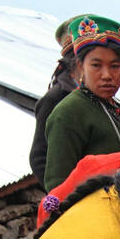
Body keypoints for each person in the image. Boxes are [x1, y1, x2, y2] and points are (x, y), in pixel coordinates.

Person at [43, 15, 120, 191]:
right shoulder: (68, 113)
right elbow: (58, 184)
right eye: (96, 65)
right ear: (81, 67)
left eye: (115, 66)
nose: (107, 75)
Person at [29, 41, 81, 184]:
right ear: (75, 65)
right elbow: (39, 157)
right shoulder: (55, 99)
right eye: (95, 63)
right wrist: (61, 193)